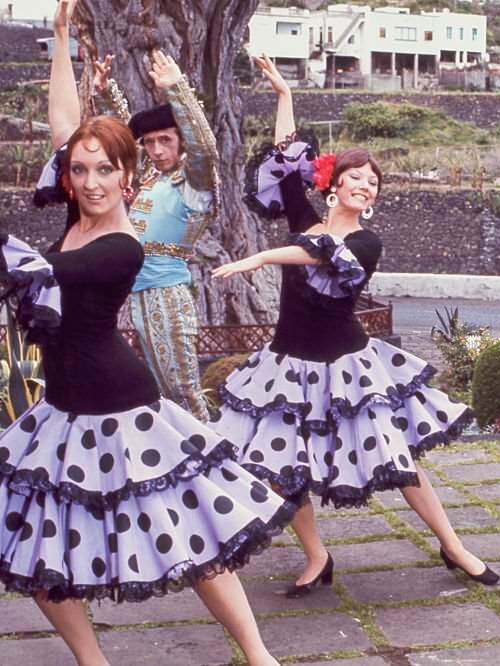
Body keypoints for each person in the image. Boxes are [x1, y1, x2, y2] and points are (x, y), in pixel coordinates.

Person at [1, 110, 293, 665]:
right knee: (38, 554)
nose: (90, 182)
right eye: (80, 170)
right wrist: (63, 37)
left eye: (104, 170)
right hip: (59, 414)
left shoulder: (122, 246)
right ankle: (93, 662)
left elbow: (43, 269)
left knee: (194, 546)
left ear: (125, 177)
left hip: (121, 409)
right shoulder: (76, 216)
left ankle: (260, 657)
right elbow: (64, 123)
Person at [208, 56, 499, 595]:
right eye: (355, 178)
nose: (366, 186)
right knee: (283, 468)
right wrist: (284, 97)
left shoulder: (366, 244)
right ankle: (317, 556)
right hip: (288, 364)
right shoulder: (305, 221)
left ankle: (454, 545)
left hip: (347, 368)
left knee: (398, 461)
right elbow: (288, 158)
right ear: (334, 187)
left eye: (373, 182)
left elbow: (316, 257)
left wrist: (260, 259)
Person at [38, 0, 218, 420]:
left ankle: (205, 467)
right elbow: (116, 145)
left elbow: (206, 153)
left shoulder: (192, 188)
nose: (156, 150)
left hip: (164, 294)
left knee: (180, 393)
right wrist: (103, 87)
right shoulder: (144, 181)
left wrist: (178, 92)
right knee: (147, 394)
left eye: (165, 141)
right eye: (149, 143)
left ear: (181, 142)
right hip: (127, 295)